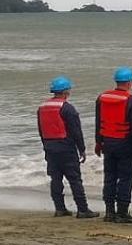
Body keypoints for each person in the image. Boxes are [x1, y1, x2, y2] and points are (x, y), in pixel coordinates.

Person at [38, 76, 99, 219]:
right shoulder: (67, 108)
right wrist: (82, 149)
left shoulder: (42, 107)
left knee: (55, 178)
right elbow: (76, 131)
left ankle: (59, 209)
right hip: (66, 147)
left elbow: (41, 130)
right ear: (66, 91)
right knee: (75, 179)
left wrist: (46, 145)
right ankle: (83, 210)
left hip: (50, 147)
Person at [94, 67, 132, 224]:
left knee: (109, 177)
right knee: (125, 178)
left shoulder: (101, 98)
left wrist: (98, 142)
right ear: (129, 82)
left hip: (107, 142)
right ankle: (122, 212)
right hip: (125, 144)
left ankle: (109, 212)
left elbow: (98, 122)